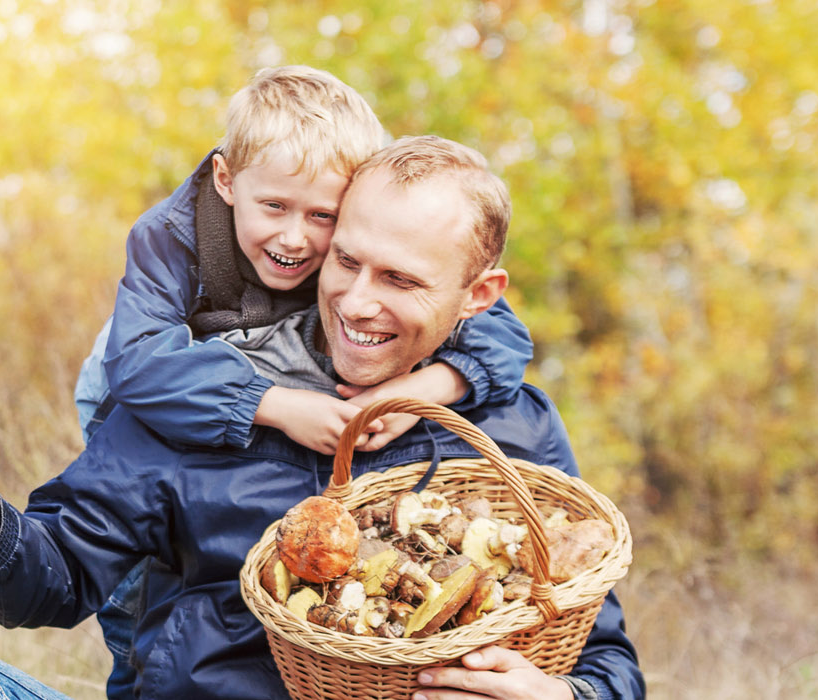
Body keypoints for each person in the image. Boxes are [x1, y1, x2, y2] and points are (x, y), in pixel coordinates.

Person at [0, 137, 644, 700]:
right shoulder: (198, 394)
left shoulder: (515, 431)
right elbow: (55, 584)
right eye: (346, 261)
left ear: (479, 296)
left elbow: (609, 662)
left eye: (400, 280)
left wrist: (558, 696)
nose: (357, 302)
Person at [75, 65, 539, 698]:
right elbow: (137, 362)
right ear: (226, 179)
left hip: (269, 369)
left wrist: (420, 391)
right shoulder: (172, 238)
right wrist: (274, 405)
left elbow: (503, 336)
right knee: (137, 590)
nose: (296, 238)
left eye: (323, 216)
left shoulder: (384, 251)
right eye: (274, 207)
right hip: (140, 382)